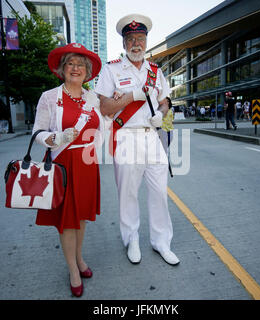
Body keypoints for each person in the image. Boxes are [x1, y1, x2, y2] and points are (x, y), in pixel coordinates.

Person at [95, 14, 180, 266]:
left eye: (140, 39)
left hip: (152, 137)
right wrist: (131, 96)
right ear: (123, 44)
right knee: (128, 194)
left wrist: (161, 116)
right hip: (126, 137)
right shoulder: (111, 69)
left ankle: (161, 241)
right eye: (131, 39)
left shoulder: (155, 70)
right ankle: (131, 238)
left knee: (158, 192)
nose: (136, 44)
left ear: (146, 42)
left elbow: (165, 102)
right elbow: (105, 107)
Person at [32, 43, 106, 297]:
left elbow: (101, 127)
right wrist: (56, 138)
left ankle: (79, 258)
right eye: (71, 64)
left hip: (87, 163)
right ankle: (73, 269)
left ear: (87, 71)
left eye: (81, 65)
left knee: (81, 216)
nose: (76, 68)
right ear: (62, 69)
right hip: (63, 165)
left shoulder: (92, 97)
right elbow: (38, 132)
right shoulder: (49, 97)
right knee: (67, 221)